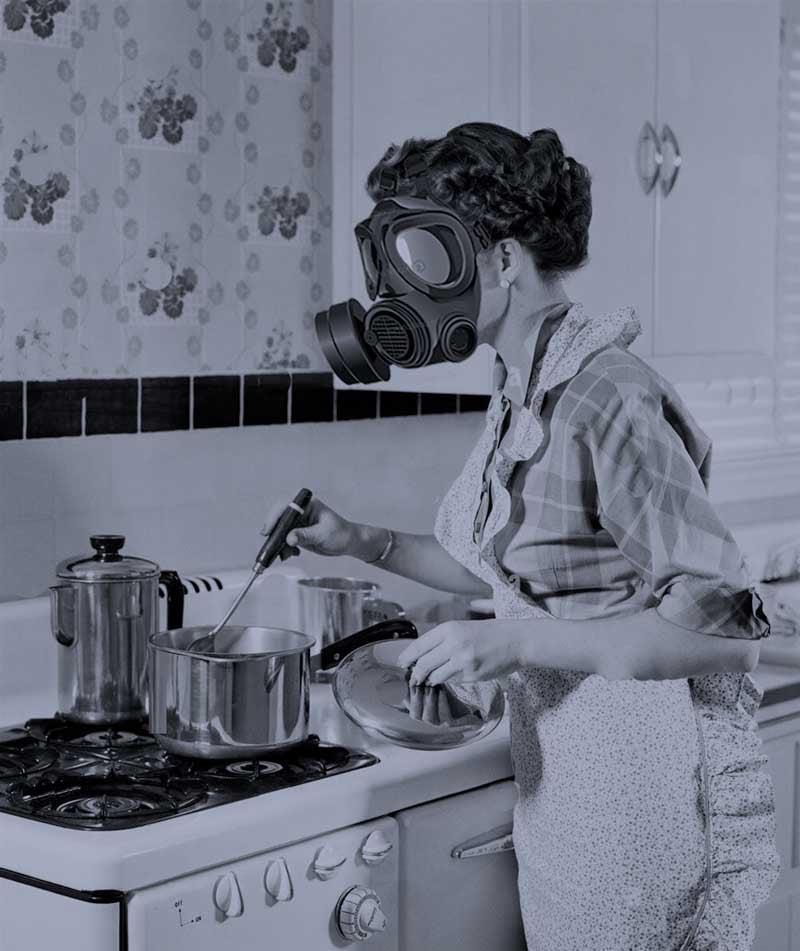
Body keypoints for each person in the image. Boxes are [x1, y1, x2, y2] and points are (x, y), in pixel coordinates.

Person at [271, 123, 780, 951]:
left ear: (502, 262)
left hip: (632, 796)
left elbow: (721, 632)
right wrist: (361, 539)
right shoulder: (527, 386)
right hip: (563, 788)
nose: (402, 291)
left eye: (424, 258)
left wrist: (510, 645)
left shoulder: (603, 394)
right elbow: (508, 577)